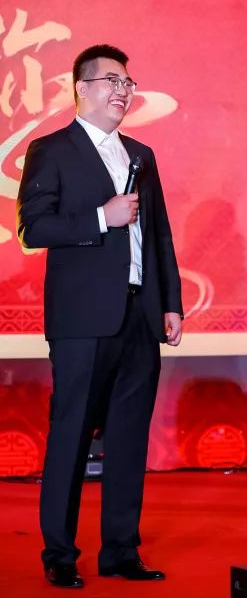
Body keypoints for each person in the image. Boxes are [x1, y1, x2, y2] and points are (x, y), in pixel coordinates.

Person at [17, 44, 183, 588]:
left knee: (129, 438)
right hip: (83, 320)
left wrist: (170, 302)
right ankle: (60, 554)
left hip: (139, 316)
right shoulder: (51, 150)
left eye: (127, 83)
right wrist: (100, 218)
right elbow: (34, 228)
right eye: (111, 81)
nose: (122, 91)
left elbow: (158, 235)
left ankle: (120, 550)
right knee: (71, 435)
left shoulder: (141, 155)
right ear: (81, 88)